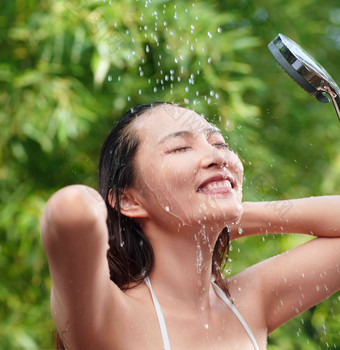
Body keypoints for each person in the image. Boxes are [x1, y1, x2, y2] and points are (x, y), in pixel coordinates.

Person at [41, 102, 340, 350]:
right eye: (180, 148)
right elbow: (71, 210)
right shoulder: (109, 318)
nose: (217, 157)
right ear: (129, 200)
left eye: (220, 144)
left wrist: (233, 217)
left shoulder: (250, 301)